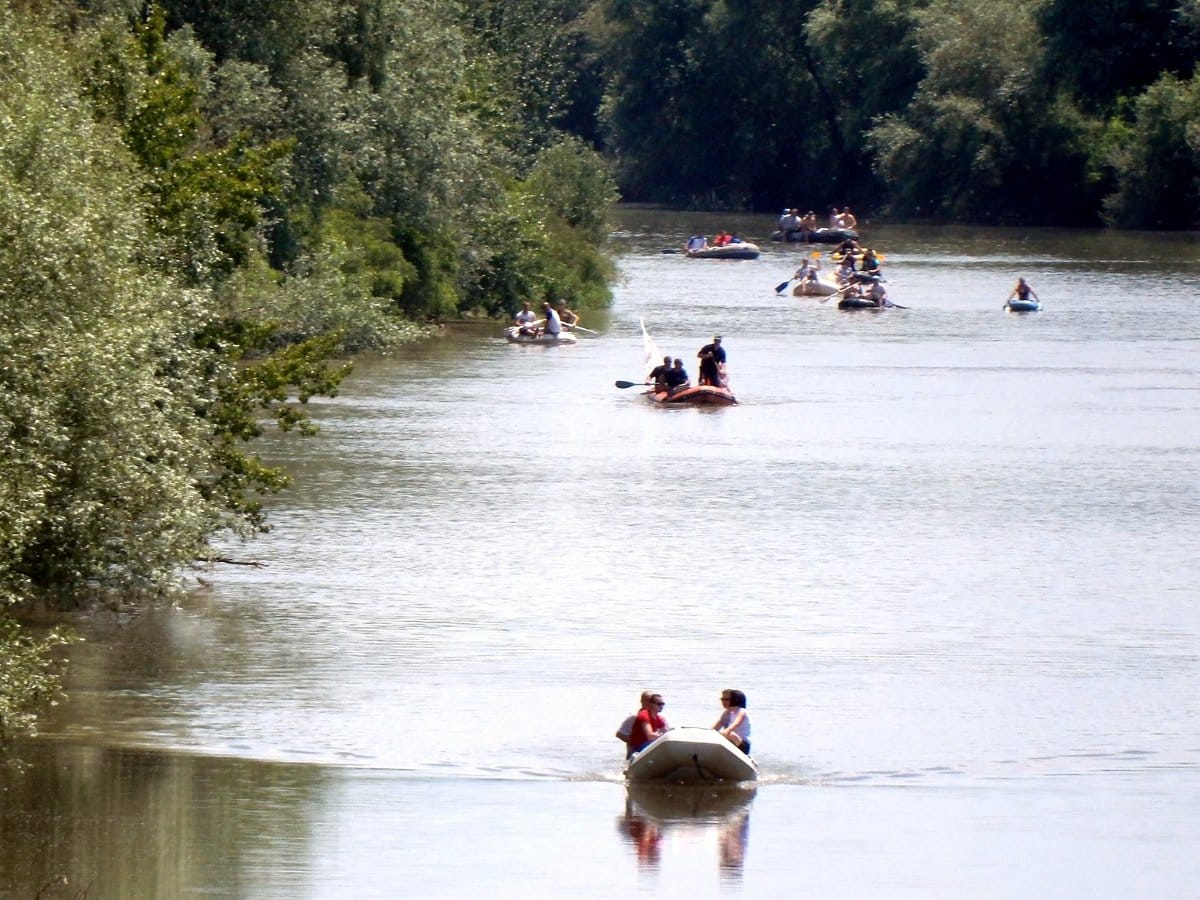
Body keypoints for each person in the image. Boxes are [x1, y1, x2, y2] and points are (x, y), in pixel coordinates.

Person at [626, 691, 668, 757]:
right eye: (659, 704)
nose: (661, 706)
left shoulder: (658, 718)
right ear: (651, 704)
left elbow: (666, 731)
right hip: (638, 747)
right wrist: (662, 736)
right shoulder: (644, 714)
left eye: (663, 704)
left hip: (648, 744)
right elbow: (650, 735)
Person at [713, 689, 751, 755]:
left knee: (731, 734)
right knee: (715, 734)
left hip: (742, 745)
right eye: (722, 699)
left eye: (726, 699)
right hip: (730, 742)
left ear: (735, 700)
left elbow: (736, 723)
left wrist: (727, 731)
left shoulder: (742, 711)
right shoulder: (726, 713)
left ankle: (741, 755)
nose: (723, 702)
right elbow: (716, 727)